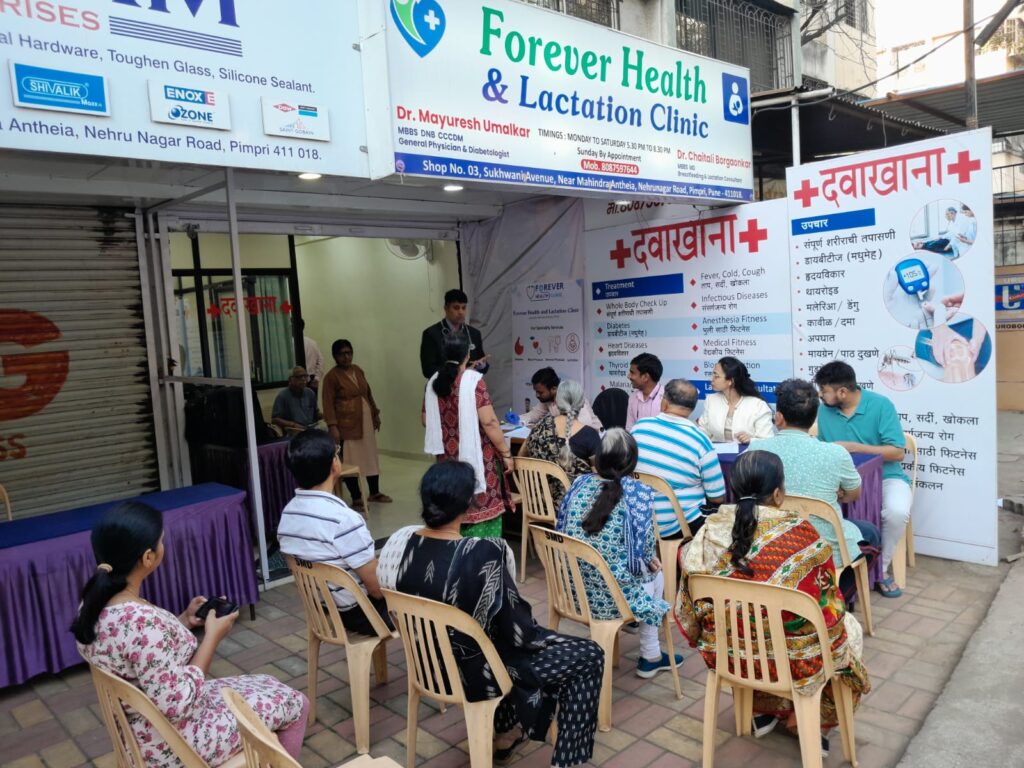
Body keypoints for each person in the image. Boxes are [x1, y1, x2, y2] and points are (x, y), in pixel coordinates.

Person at [377, 462, 604, 767]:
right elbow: (520, 632)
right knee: (587, 654)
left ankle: (505, 731)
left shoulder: (406, 544)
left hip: (428, 669)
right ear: (468, 503)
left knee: (501, 642)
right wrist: (544, 637)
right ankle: (568, 759)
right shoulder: (483, 552)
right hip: (475, 676)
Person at [72, 503, 307, 767]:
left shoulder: (94, 602)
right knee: (296, 703)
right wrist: (212, 638)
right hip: (172, 743)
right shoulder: (144, 624)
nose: (164, 546)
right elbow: (178, 704)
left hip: (138, 728)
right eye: (161, 541)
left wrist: (183, 619)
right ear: (148, 558)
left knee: (266, 682)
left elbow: (139, 654)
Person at [675, 450, 871, 757]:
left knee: (751, 626)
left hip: (728, 654)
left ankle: (761, 710)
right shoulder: (802, 536)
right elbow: (827, 613)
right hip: (796, 662)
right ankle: (815, 724)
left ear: (734, 489)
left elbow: (689, 612)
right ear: (779, 494)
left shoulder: (707, 533)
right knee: (848, 627)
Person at [556, 429, 682, 679]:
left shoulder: (578, 484)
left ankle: (646, 644)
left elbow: (561, 528)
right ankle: (651, 655)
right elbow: (643, 560)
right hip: (612, 600)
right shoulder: (638, 494)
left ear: (598, 458)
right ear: (632, 461)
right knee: (657, 577)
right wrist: (651, 562)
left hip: (571, 592)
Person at [748, 379, 881, 598]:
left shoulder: (756, 449)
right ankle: (833, 597)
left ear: (778, 418)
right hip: (823, 547)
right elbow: (853, 495)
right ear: (813, 419)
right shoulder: (836, 454)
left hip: (770, 543)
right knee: (869, 533)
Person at [279, 429, 392, 635]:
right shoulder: (343, 520)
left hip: (323, 610)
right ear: (334, 464)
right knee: (430, 603)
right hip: (361, 614)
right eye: (336, 452)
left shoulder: (288, 514)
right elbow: (376, 589)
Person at [813, 361, 909, 598]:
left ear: (842, 392)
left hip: (887, 477)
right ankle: (836, 571)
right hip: (843, 482)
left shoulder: (880, 405)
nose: (821, 396)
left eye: (824, 391)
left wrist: (855, 447)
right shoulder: (825, 410)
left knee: (897, 512)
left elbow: (898, 452)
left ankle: (880, 569)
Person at [423, 333, 512, 537]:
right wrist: (506, 454)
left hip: (446, 462)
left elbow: (425, 419)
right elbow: (489, 422)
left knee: (452, 509)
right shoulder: (473, 381)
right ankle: (481, 559)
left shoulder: (434, 382)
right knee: (482, 508)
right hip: (477, 458)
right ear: (468, 354)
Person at [632, 379, 726, 538]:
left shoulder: (639, 428)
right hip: (679, 526)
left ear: (664, 403)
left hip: (636, 520)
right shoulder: (700, 441)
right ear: (692, 409)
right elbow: (717, 497)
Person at [321, 339, 390, 511]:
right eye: (342, 354)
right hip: (347, 425)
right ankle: (356, 497)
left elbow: (368, 393)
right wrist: (333, 426)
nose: (346, 357)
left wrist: (375, 414)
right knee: (352, 460)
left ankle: (374, 492)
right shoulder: (331, 377)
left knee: (370, 457)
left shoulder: (358, 370)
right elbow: (328, 403)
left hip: (365, 423)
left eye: (349, 353)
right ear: (335, 356)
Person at [522, 379, 601, 509]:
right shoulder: (589, 435)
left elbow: (522, 458)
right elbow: (599, 474)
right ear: (581, 404)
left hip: (539, 505)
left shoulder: (538, 428)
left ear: (557, 402)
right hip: (574, 509)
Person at [698, 356, 774, 443]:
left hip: (748, 455)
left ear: (731, 381)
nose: (711, 379)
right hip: (716, 455)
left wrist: (751, 440)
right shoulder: (711, 400)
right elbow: (703, 431)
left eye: (716, 376)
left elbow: (768, 441)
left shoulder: (758, 406)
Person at [420, 288, 489, 378]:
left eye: (463, 308)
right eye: (456, 308)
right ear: (446, 308)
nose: (461, 312)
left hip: (468, 388)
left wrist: (482, 365)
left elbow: (482, 364)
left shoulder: (474, 334)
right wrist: (458, 371)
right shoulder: (431, 334)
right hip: (443, 388)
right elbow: (428, 370)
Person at [522, 367, 603, 430]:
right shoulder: (547, 399)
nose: (537, 395)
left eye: (540, 392)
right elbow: (534, 415)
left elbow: (585, 423)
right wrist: (518, 419)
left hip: (593, 439)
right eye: (536, 392)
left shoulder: (573, 396)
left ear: (553, 389)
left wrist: (552, 427)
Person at [271, 366, 320, 434]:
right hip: (294, 431)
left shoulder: (310, 393)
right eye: (299, 377)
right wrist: (293, 425)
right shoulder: (282, 396)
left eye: (305, 376)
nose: (303, 379)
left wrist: (327, 417)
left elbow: (316, 414)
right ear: (290, 380)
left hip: (310, 429)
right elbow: (275, 420)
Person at [625, 352, 665, 431]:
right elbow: (629, 429)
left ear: (645, 377)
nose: (629, 376)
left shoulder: (667, 399)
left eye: (632, 373)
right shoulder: (633, 397)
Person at [296, 318, 324, 392]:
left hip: (297, 381)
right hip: (311, 381)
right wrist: (317, 378)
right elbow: (321, 360)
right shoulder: (312, 343)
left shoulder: (288, 344)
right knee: (311, 403)